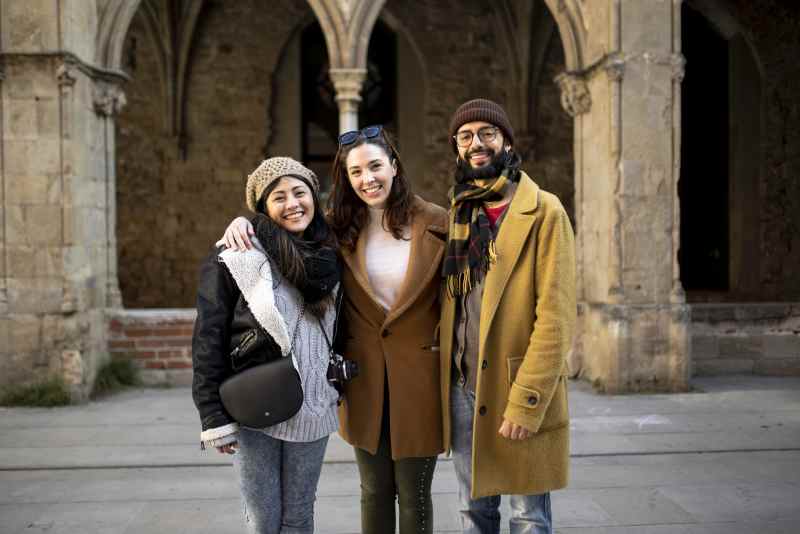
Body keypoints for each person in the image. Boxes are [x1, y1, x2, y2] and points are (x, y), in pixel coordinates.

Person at [220, 126, 448, 534]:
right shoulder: (337, 229)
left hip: (420, 376)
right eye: (356, 171)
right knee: (374, 490)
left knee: (414, 492)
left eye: (376, 166)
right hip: (363, 379)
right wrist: (244, 221)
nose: (368, 178)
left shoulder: (438, 223)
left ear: (394, 166)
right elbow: (282, 223)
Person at [439, 99, 576, 534]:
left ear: (507, 142)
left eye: (487, 133)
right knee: (473, 512)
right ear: (457, 149)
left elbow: (556, 318)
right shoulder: (460, 210)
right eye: (465, 136)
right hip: (464, 387)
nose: (476, 143)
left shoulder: (545, 211)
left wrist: (527, 400)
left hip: (516, 384)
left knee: (528, 517)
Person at [192, 157, 342, 534]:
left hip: (314, 407)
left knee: (298, 517)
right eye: (279, 196)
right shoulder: (236, 257)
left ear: (313, 196)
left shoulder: (332, 255)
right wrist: (214, 416)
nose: (292, 203)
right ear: (263, 208)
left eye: (299, 192)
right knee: (263, 521)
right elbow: (207, 338)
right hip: (256, 406)